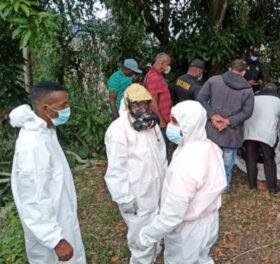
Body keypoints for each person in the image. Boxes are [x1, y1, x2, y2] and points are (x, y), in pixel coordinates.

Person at [138, 101, 227, 263]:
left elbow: (172, 215)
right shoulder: (211, 147)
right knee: (202, 258)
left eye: (175, 122)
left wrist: (146, 235)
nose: (171, 126)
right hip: (210, 220)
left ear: (190, 124)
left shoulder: (186, 163)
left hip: (188, 231)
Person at [9, 81, 86, 263]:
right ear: (45, 108)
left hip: (60, 219)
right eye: (62, 106)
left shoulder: (46, 130)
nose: (67, 109)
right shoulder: (33, 145)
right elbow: (33, 199)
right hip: (52, 236)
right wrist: (55, 239)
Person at [104, 84, 167, 264]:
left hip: (157, 186)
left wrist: (167, 180)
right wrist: (123, 197)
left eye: (145, 104)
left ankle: (154, 255)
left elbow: (161, 155)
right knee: (140, 234)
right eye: (137, 105)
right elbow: (116, 167)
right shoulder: (118, 130)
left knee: (156, 226)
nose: (142, 108)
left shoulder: (151, 125)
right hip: (137, 192)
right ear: (128, 104)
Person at [197, 59, 254, 193]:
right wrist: (228, 121)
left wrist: (213, 116)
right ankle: (225, 187)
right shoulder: (248, 90)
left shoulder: (214, 80)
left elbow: (200, 98)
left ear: (230, 68)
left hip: (212, 129)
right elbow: (248, 112)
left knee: (208, 161)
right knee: (227, 164)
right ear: (244, 72)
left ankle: (206, 186)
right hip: (232, 133)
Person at [243, 83, 280, 194]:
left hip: (249, 131)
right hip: (267, 133)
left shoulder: (254, 97)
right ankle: (272, 188)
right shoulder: (279, 100)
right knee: (269, 159)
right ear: (275, 91)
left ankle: (252, 186)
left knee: (251, 158)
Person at [144, 52, 172, 141]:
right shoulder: (154, 77)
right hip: (159, 122)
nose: (168, 67)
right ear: (162, 63)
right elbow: (152, 102)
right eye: (167, 64)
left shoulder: (157, 75)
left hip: (162, 120)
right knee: (161, 149)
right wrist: (161, 120)